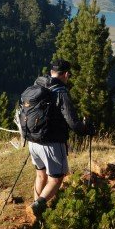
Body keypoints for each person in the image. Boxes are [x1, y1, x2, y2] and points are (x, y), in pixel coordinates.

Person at [26, 58, 91, 220]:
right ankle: (37, 206)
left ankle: (38, 209)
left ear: (51, 72)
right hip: (52, 142)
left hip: (33, 141)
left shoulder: (38, 85)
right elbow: (73, 123)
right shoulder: (61, 92)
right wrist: (86, 129)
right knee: (57, 178)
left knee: (41, 175)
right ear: (67, 74)